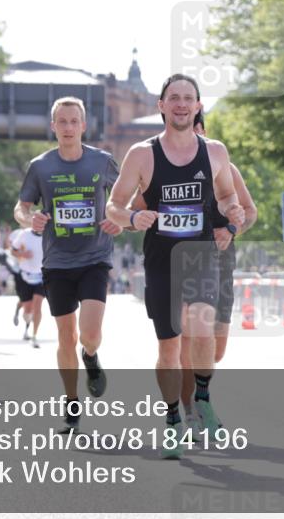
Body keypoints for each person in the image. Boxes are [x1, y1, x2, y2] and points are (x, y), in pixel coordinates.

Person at [106, 74, 244, 458]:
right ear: (161, 105)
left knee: (202, 329)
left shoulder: (215, 152)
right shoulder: (141, 154)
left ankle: (201, 398)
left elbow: (230, 194)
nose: (181, 104)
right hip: (162, 261)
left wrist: (230, 222)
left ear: (198, 106)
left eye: (189, 98)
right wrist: (132, 219)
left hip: (201, 257)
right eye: (174, 98)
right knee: (169, 349)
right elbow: (113, 205)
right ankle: (171, 420)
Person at [15, 96, 122, 433]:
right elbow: (22, 207)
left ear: (84, 125)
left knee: (89, 335)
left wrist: (121, 220)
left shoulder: (102, 162)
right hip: (57, 262)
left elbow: (124, 200)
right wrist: (29, 218)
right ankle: (71, 403)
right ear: (53, 126)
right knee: (65, 336)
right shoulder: (41, 166)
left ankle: (91, 357)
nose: (68, 127)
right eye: (62, 121)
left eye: (74, 121)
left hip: (94, 258)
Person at [181, 110, 257, 431]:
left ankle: (198, 401)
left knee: (217, 347)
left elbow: (250, 212)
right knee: (189, 339)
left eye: (198, 128)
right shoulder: (169, 167)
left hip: (222, 263)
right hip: (186, 262)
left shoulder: (225, 166)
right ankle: (192, 410)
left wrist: (231, 229)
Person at [9, 226, 45, 347]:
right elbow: (12, 250)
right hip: (25, 275)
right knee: (28, 310)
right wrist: (23, 254)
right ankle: (26, 324)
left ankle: (34, 336)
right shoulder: (24, 234)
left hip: (42, 276)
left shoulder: (49, 234)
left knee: (37, 305)